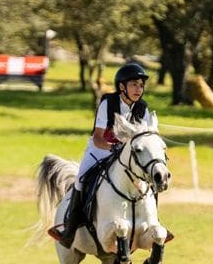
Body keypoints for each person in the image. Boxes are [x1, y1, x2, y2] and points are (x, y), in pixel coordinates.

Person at [50, 62, 152, 247]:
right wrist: (113, 149)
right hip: (100, 150)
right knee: (81, 179)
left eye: (141, 85)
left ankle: (154, 223)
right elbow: (98, 137)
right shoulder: (109, 102)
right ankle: (70, 230)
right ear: (122, 87)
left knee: (150, 181)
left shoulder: (142, 108)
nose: (139, 89)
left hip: (127, 157)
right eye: (134, 84)